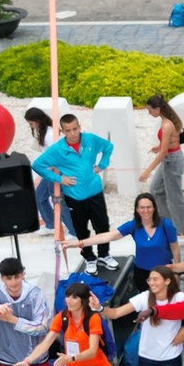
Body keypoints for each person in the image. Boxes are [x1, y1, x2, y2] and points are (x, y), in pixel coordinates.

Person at [35, 114, 117, 270]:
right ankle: (89, 258)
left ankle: (104, 255)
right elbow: (38, 165)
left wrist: (102, 165)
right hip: (74, 196)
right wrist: (59, 179)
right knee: (81, 228)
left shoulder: (91, 139)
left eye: (75, 129)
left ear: (79, 127)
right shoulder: (57, 149)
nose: (72, 133)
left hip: (95, 191)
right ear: (62, 131)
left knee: (102, 225)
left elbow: (108, 147)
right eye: (68, 130)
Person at [139, 94, 184, 237]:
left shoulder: (167, 125)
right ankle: (170, 224)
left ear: (157, 109)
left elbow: (165, 152)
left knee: (174, 196)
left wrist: (148, 171)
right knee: (156, 189)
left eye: (150, 110)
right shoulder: (167, 121)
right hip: (171, 158)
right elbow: (169, 144)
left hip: (172, 161)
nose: (149, 113)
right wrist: (159, 147)